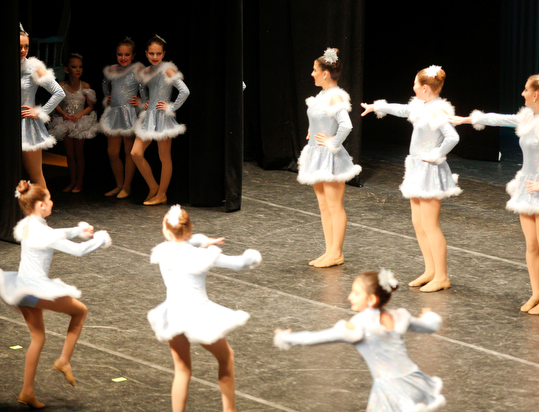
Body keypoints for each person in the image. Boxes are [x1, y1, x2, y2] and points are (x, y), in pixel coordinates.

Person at [0, 180, 112, 408]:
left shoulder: (28, 225)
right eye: (49, 199)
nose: (52, 202)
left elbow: (56, 233)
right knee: (80, 312)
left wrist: (78, 230)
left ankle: (27, 392)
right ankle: (63, 360)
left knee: (38, 338)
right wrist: (100, 238)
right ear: (41, 206)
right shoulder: (44, 233)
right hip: (35, 289)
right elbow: (79, 251)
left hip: (19, 287)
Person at [274, 269, 446, 412]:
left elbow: (315, 338)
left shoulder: (359, 324)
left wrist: (286, 337)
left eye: (356, 293)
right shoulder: (398, 316)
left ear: (371, 299)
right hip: (416, 381)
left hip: (392, 389)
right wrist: (429, 316)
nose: (350, 297)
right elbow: (430, 326)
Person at [449, 69, 539, 314]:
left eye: (526, 89)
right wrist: (467, 120)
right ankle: (536, 293)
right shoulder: (527, 118)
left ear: (536, 94)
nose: (522, 93)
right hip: (526, 187)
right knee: (531, 245)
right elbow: (498, 118)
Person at [148, 205, 262, 412]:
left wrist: (202, 241)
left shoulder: (163, 252)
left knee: (182, 370)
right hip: (198, 315)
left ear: (166, 232)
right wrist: (253, 257)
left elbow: (183, 242)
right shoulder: (202, 256)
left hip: (173, 315)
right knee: (226, 358)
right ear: (190, 229)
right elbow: (239, 263)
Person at [361, 66, 460, 292]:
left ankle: (442, 276)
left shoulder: (438, 111)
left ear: (425, 88)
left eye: (415, 83)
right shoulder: (422, 106)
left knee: (430, 225)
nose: (413, 87)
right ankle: (430, 270)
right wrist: (378, 106)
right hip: (416, 169)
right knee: (418, 223)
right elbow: (403, 109)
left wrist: (436, 153)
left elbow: (452, 136)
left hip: (429, 171)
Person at [298, 48, 361, 268]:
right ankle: (329, 251)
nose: (312, 73)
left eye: (315, 70)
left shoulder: (335, 96)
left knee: (334, 206)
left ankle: (336, 253)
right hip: (316, 153)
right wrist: (312, 129)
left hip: (330, 157)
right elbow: (320, 117)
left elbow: (346, 124)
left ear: (325, 73)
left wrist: (333, 142)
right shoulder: (323, 95)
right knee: (324, 206)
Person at [132, 35, 190, 206]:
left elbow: (184, 91)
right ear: (146, 53)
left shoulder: (167, 69)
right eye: (151, 53)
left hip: (163, 117)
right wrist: (145, 102)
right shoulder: (147, 71)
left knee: (164, 156)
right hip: (149, 117)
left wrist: (171, 107)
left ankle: (162, 194)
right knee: (135, 153)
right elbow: (143, 90)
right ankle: (153, 186)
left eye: (158, 54)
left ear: (163, 54)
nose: (155, 57)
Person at [19, 24, 65, 188]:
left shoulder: (33, 67)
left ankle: (42, 211)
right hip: (8, 127)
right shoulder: (6, 67)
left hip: (27, 127)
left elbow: (59, 92)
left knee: (36, 176)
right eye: (19, 47)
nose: (23, 50)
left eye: (26, 46)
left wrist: (40, 112)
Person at [100, 37, 144, 198]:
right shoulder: (112, 69)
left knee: (128, 151)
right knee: (112, 152)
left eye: (127, 55)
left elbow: (144, 87)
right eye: (120, 55)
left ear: (133, 56)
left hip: (128, 113)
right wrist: (107, 97)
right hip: (114, 113)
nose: (123, 58)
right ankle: (119, 185)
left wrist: (141, 101)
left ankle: (127, 186)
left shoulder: (137, 70)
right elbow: (105, 83)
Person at [49, 53, 100, 193]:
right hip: (66, 122)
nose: (78, 70)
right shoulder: (62, 86)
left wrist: (79, 114)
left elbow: (90, 106)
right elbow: (56, 104)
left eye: (80, 67)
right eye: (74, 67)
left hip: (80, 122)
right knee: (70, 155)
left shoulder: (85, 86)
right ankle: (72, 181)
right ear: (66, 69)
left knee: (79, 154)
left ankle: (79, 183)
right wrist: (63, 113)